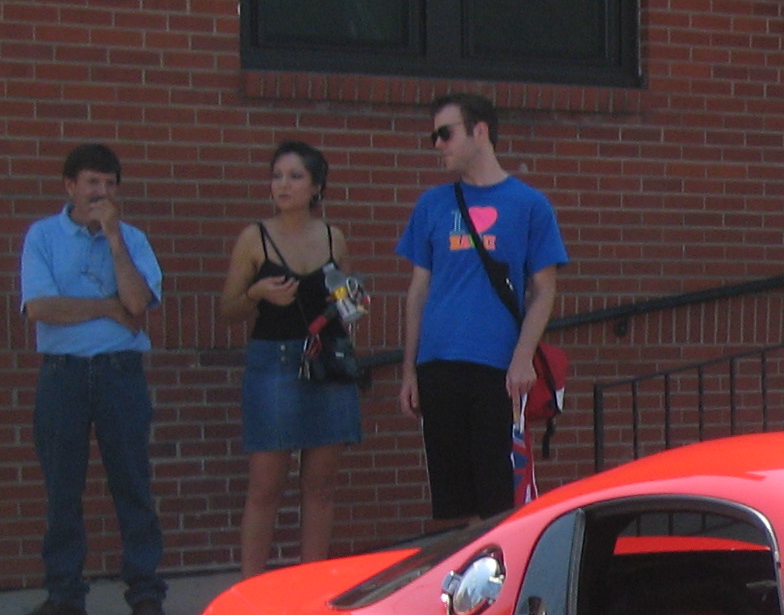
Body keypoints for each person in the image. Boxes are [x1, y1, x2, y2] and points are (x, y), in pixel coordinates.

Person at [398, 93, 564, 525]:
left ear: (480, 131)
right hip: (438, 364)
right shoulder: (431, 205)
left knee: (499, 497)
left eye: (445, 133)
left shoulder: (530, 205)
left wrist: (523, 356)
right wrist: (409, 371)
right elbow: (418, 290)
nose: (438, 144)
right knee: (456, 500)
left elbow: (543, 290)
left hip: (498, 368)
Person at [20, 143, 165, 615]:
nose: (100, 192)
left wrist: (114, 239)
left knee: (132, 483)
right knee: (63, 487)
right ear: (70, 187)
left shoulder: (132, 239)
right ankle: (64, 594)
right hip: (63, 373)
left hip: (120, 372)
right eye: (91, 183)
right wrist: (106, 309)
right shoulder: (42, 236)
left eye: (108, 184)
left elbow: (138, 302)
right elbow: (40, 308)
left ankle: (145, 593)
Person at [220, 141, 363, 577]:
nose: (283, 185)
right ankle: (250, 589)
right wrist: (256, 294)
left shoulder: (332, 237)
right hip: (274, 361)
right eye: (277, 175)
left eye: (294, 176)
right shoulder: (254, 238)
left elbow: (345, 300)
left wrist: (352, 303)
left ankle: (310, 586)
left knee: (320, 484)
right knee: (266, 483)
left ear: (316, 186)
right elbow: (228, 309)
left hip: (325, 360)